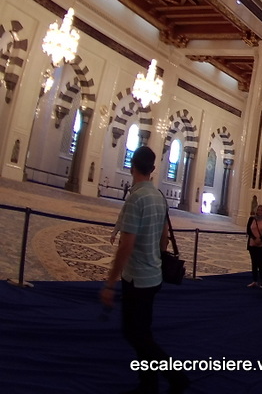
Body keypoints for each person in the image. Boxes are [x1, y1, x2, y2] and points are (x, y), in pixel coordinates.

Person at [100, 145, 188, 394]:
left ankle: (176, 376)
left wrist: (109, 284)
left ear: (132, 166)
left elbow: (126, 246)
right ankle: (147, 384)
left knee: (135, 334)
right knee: (142, 332)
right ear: (153, 169)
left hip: (137, 279)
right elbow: (163, 239)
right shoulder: (159, 196)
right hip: (154, 276)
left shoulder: (136, 198)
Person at [245, 204, 262, 288]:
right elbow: (248, 230)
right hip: (252, 244)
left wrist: (260, 240)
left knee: (260, 263)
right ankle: (254, 280)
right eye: (258, 210)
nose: (260, 212)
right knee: (254, 263)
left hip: (261, 245)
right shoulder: (251, 219)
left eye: (261, 210)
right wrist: (254, 238)